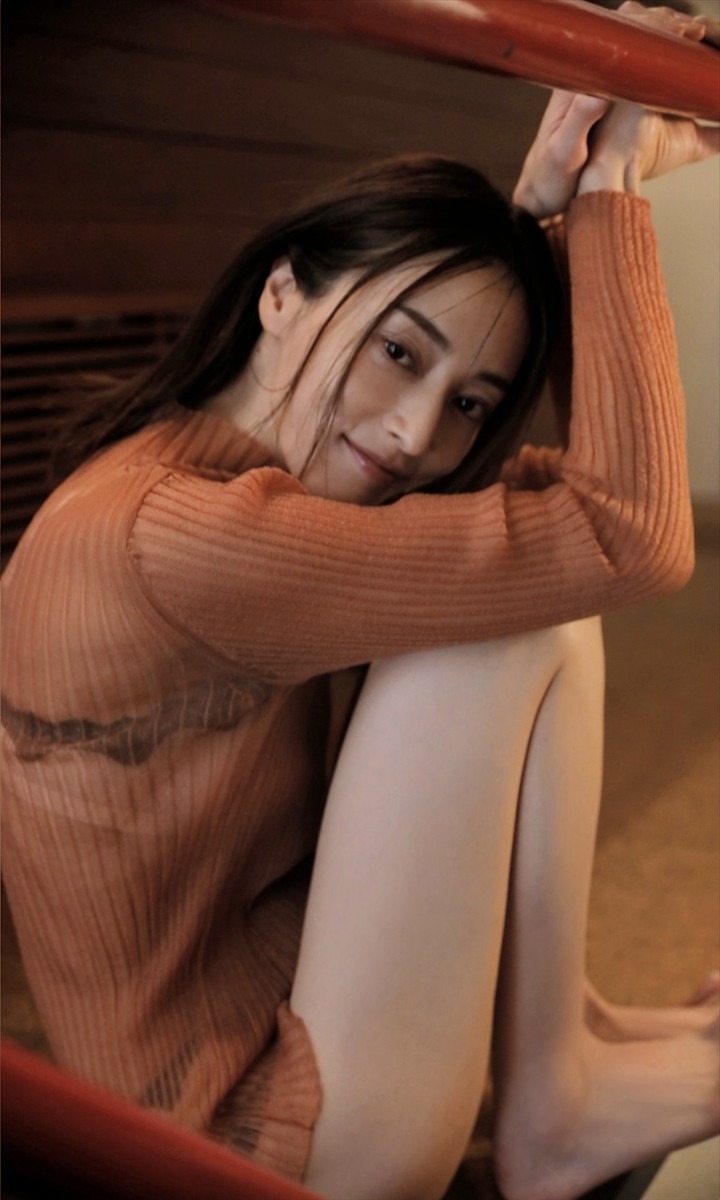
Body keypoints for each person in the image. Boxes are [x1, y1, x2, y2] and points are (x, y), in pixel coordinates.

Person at [2, 3, 719, 1198]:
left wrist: (549, 220)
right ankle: (556, 1095)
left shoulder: (194, 483)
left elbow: (573, 526)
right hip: (253, 1139)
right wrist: (608, 195)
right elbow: (628, 532)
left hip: (303, 1030)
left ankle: (564, 1044)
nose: (417, 433)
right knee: (513, 616)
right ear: (281, 294)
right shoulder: (177, 540)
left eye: (471, 401)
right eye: (399, 352)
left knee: (520, 581)